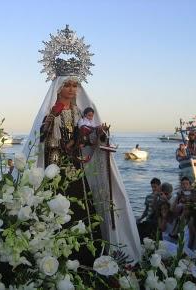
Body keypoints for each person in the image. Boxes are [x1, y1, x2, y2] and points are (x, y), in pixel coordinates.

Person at [24, 27, 141, 265]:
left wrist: (98, 135)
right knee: (57, 207)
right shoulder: (51, 112)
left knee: (83, 208)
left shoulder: (81, 112)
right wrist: (54, 130)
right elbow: (42, 139)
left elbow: (87, 136)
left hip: (76, 167)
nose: (72, 89)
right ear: (58, 87)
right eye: (67, 85)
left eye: (75, 85)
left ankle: (87, 258)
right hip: (55, 166)